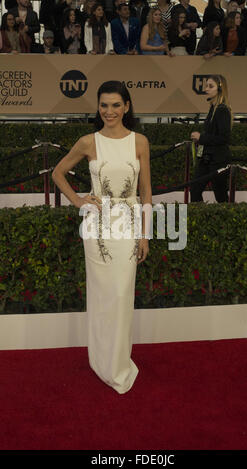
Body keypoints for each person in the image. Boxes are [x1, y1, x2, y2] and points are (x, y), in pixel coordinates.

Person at [52, 80, 152, 394]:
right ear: (98, 107)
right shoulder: (88, 141)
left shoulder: (140, 141)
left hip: (128, 222)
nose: (109, 111)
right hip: (97, 227)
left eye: (115, 105)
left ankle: (118, 363)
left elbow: (147, 191)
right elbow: (58, 173)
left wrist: (145, 234)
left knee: (122, 294)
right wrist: (79, 200)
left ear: (127, 107)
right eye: (103, 105)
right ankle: (101, 361)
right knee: (102, 296)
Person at [190, 75, 233, 203]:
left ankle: (224, 221)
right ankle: (199, 219)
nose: (206, 89)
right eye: (206, 85)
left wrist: (201, 137)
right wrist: (201, 138)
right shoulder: (213, 108)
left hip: (218, 160)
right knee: (195, 189)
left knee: (220, 196)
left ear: (220, 89)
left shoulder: (222, 110)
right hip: (207, 158)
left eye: (210, 86)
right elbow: (214, 134)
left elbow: (224, 138)